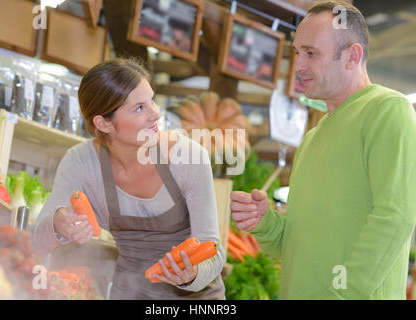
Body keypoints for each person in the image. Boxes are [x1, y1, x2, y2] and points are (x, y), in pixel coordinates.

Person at [231, 0, 416, 299]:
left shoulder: (387, 110)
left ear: (352, 56)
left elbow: (395, 217)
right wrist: (266, 223)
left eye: (311, 53)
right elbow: (297, 247)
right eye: (297, 53)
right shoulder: (312, 138)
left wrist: (343, 294)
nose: (299, 65)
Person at [31, 58, 225, 300]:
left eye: (152, 100)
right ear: (103, 123)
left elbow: (214, 251)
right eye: (139, 108)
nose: (156, 114)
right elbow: (35, 241)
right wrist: (59, 224)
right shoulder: (81, 163)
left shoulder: (189, 158)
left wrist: (192, 273)